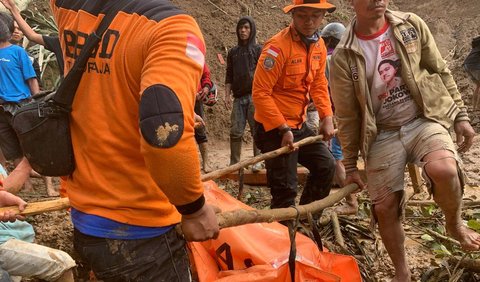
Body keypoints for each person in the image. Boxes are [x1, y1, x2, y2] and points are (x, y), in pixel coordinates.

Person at [49, 0, 220, 280]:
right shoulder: (171, 28)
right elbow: (164, 133)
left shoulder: (69, 8)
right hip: (144, 230)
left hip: (85, 218)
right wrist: (194, 209)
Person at [330, 0, 480, 280]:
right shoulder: (343, 56)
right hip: (382, 132)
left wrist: (460, 115)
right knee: (384, 207)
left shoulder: (410, 25)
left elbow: (439, 69)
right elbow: (347, 115)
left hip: (423, 118)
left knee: (445, 169)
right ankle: (402, 272)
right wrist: (350, 165)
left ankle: (454, 223)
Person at [252, 0, 336, 211]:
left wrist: (327, 117)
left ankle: (306, 222)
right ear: (293, 15)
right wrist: (282, 127)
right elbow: (260, 93)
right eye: (302, 16)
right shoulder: (277, 47)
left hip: (299, 125)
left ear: (323, 16)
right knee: (285, 190)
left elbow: (319, 84)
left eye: (315, 16)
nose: (309, 22)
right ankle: (282, 236)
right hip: (274, 129)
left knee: (326, 165)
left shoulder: (319, 45)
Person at [0, 164, 76, 282]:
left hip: (13, 233)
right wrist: (26, 163)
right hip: (2, 240)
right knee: (62, 264)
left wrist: (1, 195)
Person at [318, 22, 357, 215]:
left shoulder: (327, 60)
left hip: (338, 117)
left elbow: (323, 90)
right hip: (357, 118)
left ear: (329, 40)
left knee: (337, 158)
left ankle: (351, 202)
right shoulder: (353, 58)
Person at [0, 13, 40, 195]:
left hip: (21, 105)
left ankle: (44, 183)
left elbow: (31, 80)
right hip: (2, 108)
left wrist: (38, 102)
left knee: (32, 144)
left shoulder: (18, 52)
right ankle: (26, 186)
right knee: (12, 148)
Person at [225, 16, 262, 171]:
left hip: (255, 96)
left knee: (257, 130)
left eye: (246, 28)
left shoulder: (258, 50)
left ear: (252, 29)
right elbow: (229, 75)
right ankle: (234, 164)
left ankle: (258, 161)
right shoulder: (233, 52)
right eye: (241, 28)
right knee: (235, 131)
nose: (243, 30)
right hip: (238, 98)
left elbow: (265, 73)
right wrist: (227, 95)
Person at [195, 63, 213, 173]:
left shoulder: (196, 53)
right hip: (179, 97)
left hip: (197, 99)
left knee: (200, 129)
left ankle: (206, 162)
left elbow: (206, 74)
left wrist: (205, 87)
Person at [464, 36, 480, 110]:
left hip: (467, 64)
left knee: (478, 86)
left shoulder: (477, 44)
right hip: (475, 65)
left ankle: (474, 108)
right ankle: (478, 108)